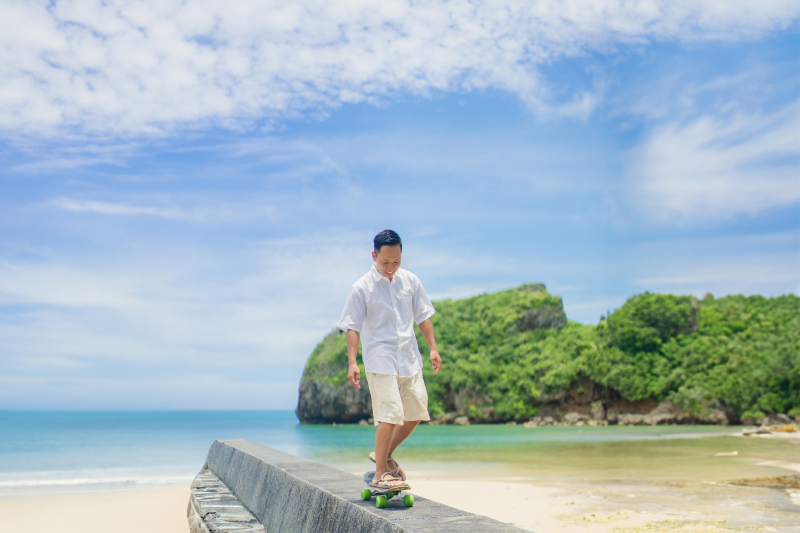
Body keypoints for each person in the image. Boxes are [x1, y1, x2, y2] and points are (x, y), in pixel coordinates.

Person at [337, 229, 442, 490]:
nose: (391, 268)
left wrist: (433, 348)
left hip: (408, 356)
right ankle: (380, 473)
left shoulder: (410, 281)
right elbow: (353, 326)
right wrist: (353, 361)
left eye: (396, 262)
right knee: (390, 415)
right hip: (380, 358)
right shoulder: (361, 287)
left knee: (417, 410)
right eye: (385, 262)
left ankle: (384, 455)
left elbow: (423, 316)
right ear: (374, 256)